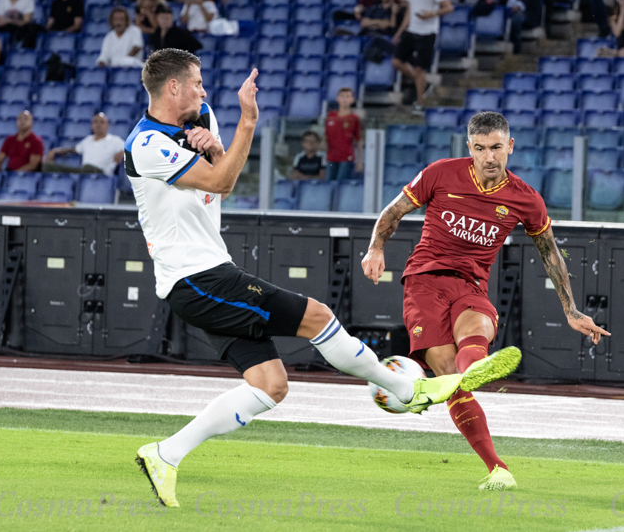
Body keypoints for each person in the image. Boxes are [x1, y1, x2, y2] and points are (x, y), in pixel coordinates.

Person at [129, 49, 507, 508]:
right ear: (172, 88)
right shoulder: (145, 145)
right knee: (318, 317)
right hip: (196, 278)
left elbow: (221, 166)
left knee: (271, 385)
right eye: (196, 83)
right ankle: (407, 388)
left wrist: (218, 146)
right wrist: (248, 120)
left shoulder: (201, 115)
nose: (204, 92)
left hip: (205, 273)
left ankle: (164, 455)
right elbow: (223, 183)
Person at [362, 111, 610, 491]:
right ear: (469, 148)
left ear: (510, 146)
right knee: (452, 379)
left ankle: (472, 368)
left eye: (496, 147)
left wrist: (571, 309)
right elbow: (393, 211)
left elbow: (550, 252)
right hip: (424, 282)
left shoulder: (525, 199)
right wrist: (375, 248)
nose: (489, 156)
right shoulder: (440, 173)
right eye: (480, 148)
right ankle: (498, 467)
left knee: (476, 330)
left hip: (471, 285)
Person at [391, 0, 453, 115]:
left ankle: (420, 103)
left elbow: (449, 7)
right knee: (396, 62)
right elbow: (409, 12)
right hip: (411, 30)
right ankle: (421, 81)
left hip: (427, 33)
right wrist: (399, 32)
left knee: (419, 68)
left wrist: (432, 14)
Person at [43, 112, 124, 175]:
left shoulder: (115, 140)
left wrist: (124, 152)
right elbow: (73, 150)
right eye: (95, 122)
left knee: (88, 167)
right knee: (46, 166)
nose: (98, 124)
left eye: (102, 122)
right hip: (83, 172)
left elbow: (133, 149)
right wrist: (55, 151)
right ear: (92, 125)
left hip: (102, 174)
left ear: (107, 126)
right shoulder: (88, 140)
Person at [324, 87, 361, 181]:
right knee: (329, 183)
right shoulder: (330, 116)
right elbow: (326, 136)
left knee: (341, 183)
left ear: (352, 99)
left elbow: (359, 140)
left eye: (348, 96)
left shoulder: (354, 118)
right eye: (342, 96)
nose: (344, 99)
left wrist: (360, 161)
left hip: (346, 158)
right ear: (337, 98)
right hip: (331, 158)